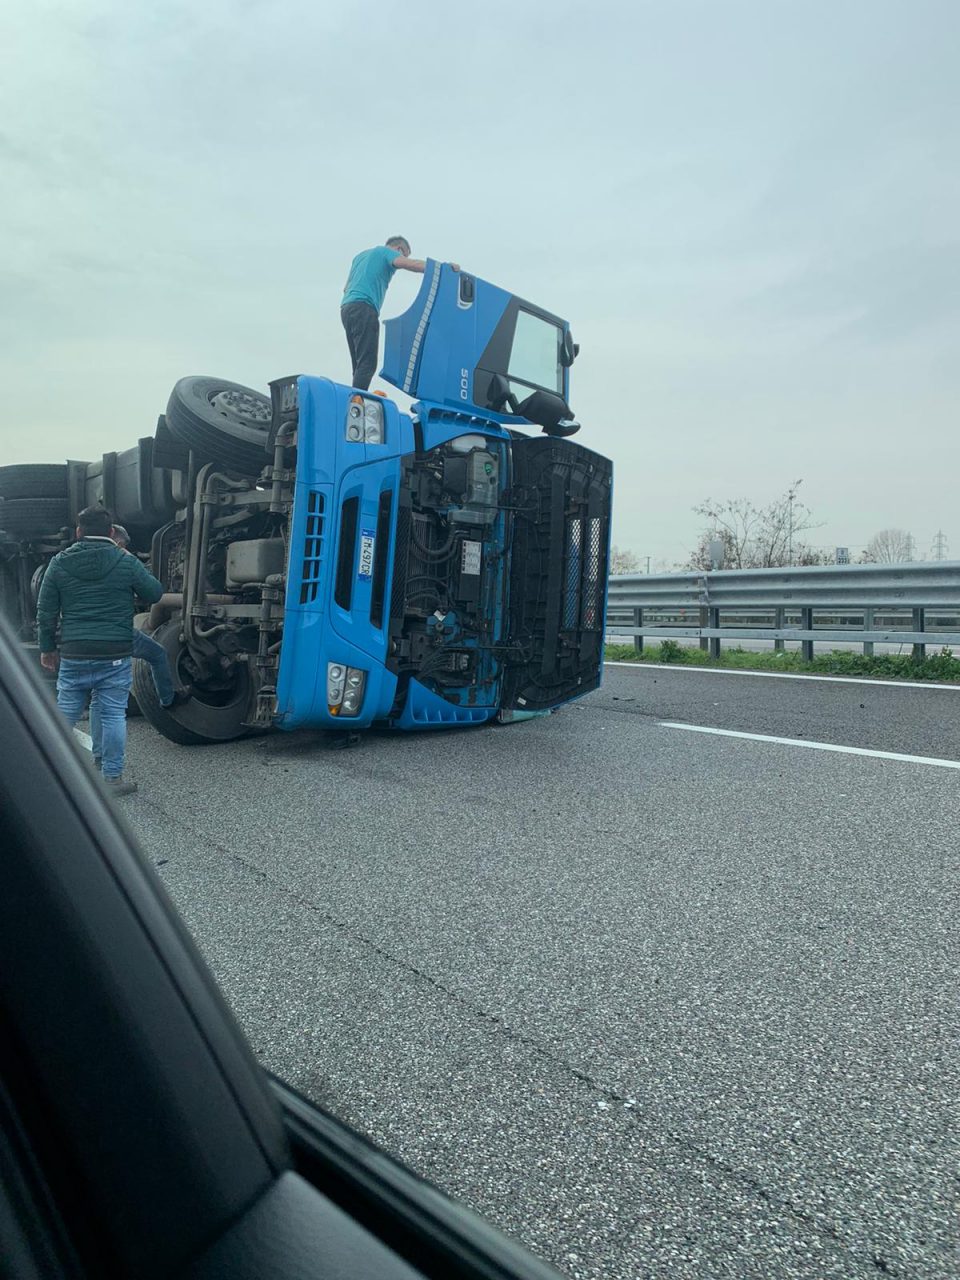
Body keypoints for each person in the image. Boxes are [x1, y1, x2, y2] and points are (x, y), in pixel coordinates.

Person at [37, 505, 164, 796]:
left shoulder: (59, 562)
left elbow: (46, 611)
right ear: (110, 532)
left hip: (75, 651)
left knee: (65, 713)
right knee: (112, 714)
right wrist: (130, 560)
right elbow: (155, 593)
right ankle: (112, 779)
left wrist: (47, 648)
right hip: (114, 652)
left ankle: (49, 777)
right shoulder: (124, 561)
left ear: (79, 532)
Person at [87, 525, 186, 771]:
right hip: (116, 632)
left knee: (98, 698)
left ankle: (97, 756)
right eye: (123, 544)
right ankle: (167, 700)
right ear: (117, 541)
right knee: (157, 653)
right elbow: (152, 592)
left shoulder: (81, 560)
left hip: (85, 634)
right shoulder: (121, 559)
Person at [340, 237, 459, 389]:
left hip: (347, 308)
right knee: (368, 363)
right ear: (399, 249)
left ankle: (354, 397)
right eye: (404, 254)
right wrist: (442, 269)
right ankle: (355, 405)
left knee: (358, 365)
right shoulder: (386, 252)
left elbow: (346, 287)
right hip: (365, 307)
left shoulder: (360, 257)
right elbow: (409, 264)